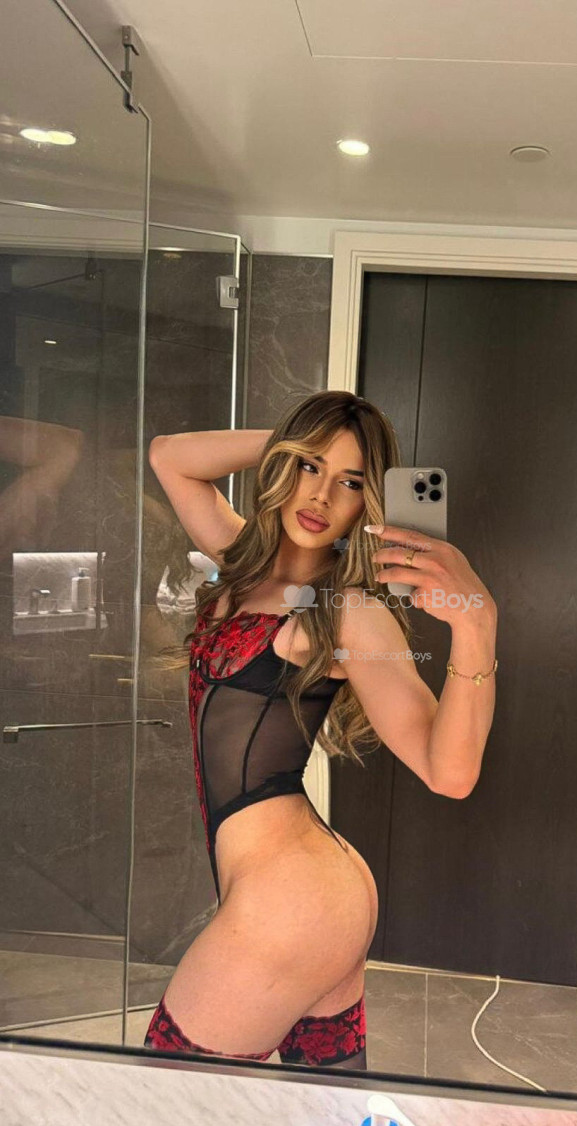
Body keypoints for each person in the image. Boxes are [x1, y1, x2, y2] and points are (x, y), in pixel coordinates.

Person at [142, 390, 497, 1069]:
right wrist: (295, 436)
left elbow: (448, 773)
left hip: (294, 904)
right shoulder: (243, 560)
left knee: (166, 1104)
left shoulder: (348, 611)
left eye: (351, 481)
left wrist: (477, 625)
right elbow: (170, 458)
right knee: (323, 1116)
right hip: (308, 895)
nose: (322, 494)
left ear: (369, 501)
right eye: (309, 467)